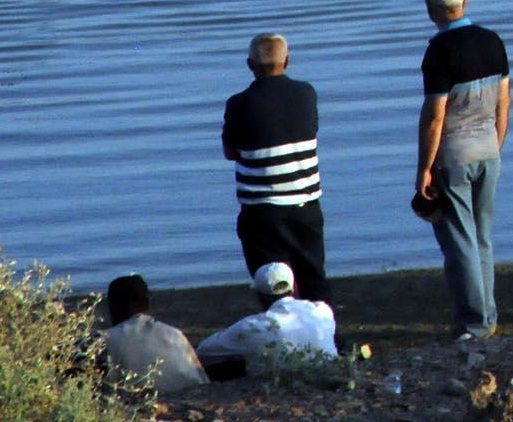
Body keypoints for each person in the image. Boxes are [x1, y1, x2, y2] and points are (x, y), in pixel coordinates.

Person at [416, 0, 509, 342]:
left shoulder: (438, 52)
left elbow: (435, 116)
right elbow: (504, 101)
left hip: (454, 153)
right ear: (464, 4)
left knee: (460, 240)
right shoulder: (492, 41)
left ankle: (474, 322)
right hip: (489, 149)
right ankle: (488, 313)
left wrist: (424, 168)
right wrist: (496, 144)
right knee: (482, 236)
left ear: (431, 11)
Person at [221, 32, 328, 305]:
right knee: (312, 275)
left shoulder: (239, 103)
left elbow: (230, 152)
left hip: (261, 209)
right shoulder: (306, 93)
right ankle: (325, 337)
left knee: (270, 281)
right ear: (287, 61)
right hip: (305, 203)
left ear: (250, 65)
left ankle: (280, 336)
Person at [197, 262, 337, 372]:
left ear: (259, 296)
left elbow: (204, 351)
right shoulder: (322, 310)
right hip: (326, 373)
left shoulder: (253, 326)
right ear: (294, 285)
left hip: (278, 382)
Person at [101, 274, 207, 393]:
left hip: (146, 397)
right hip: (193, 391)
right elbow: (201, 377)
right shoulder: (175, 334)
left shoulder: (108, 338)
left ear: (115, 306)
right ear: (146, 302)